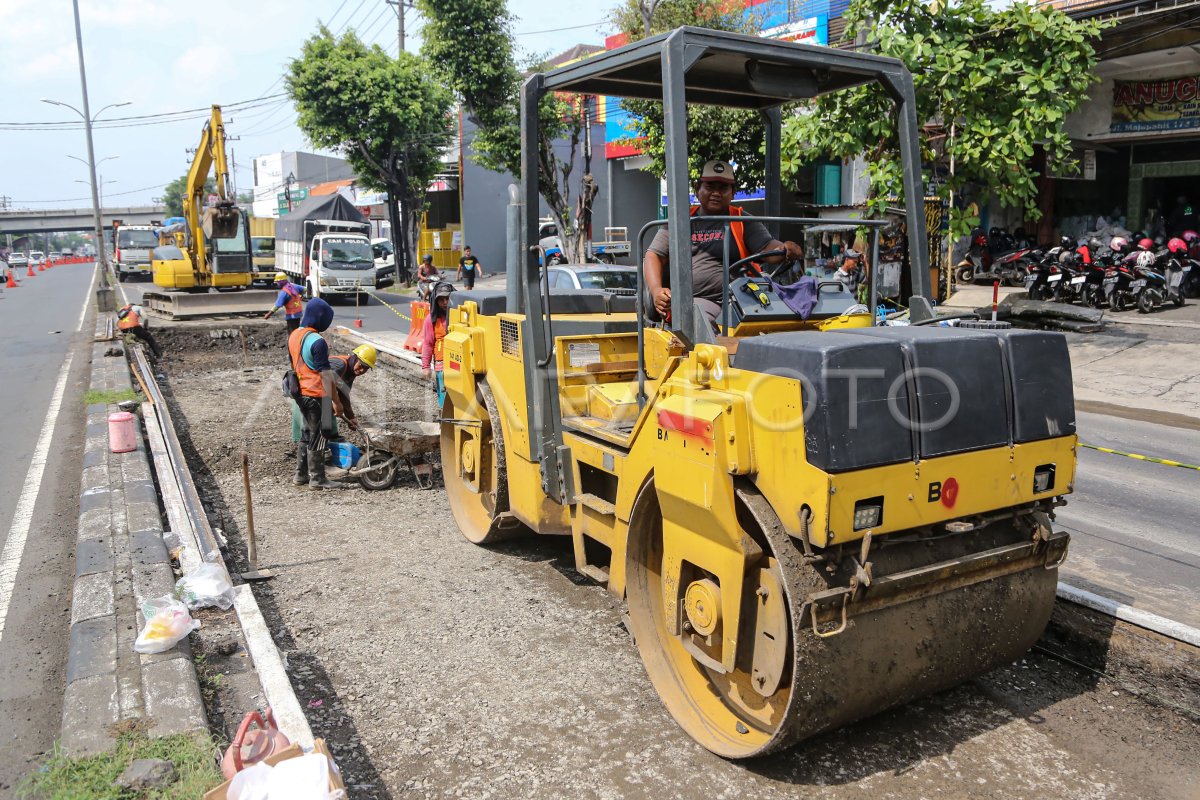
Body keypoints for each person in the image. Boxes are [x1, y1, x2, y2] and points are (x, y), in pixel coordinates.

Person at [643, 159, 804, 324]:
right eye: (710, 186)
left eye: (723, 188)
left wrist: (784, 248)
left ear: (733, 192)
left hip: (740, 298)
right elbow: (654, 255)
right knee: (698, 320)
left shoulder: (743, 221)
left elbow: (767, 247)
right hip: (697, 300)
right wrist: (656, 291)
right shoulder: (680, 221)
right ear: (698, 189)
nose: (716, 193)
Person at [288, 298, 347, 490]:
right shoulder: (318, 341)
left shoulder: (295, 334)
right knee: (319, 435)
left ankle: (300, 475)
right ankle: (318, 478)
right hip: (315, 394)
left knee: (306, 433)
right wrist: (336, 402)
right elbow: (326, 375)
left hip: (300, 393)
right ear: (320, 318)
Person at [328, 344, 377, 431]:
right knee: (316, 430)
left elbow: (344, 394)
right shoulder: (340, 364)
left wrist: (351, 417)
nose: (361, 370)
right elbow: (325, 381)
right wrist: (336, 402)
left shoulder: (351, 371)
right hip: (307, 394)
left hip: (321, 397)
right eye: (361, 365)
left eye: (366, 368)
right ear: (355, 358)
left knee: (330, 431)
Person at [421, 281, 453, 410]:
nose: (445, 302)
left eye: (448, 298)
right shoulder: (431, 320)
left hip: (461, 364)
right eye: (441, 299)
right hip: (442, 365)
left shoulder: (462, 316)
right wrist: (426, 366)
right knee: (444, 396)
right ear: (436, 301)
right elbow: (428, 344)